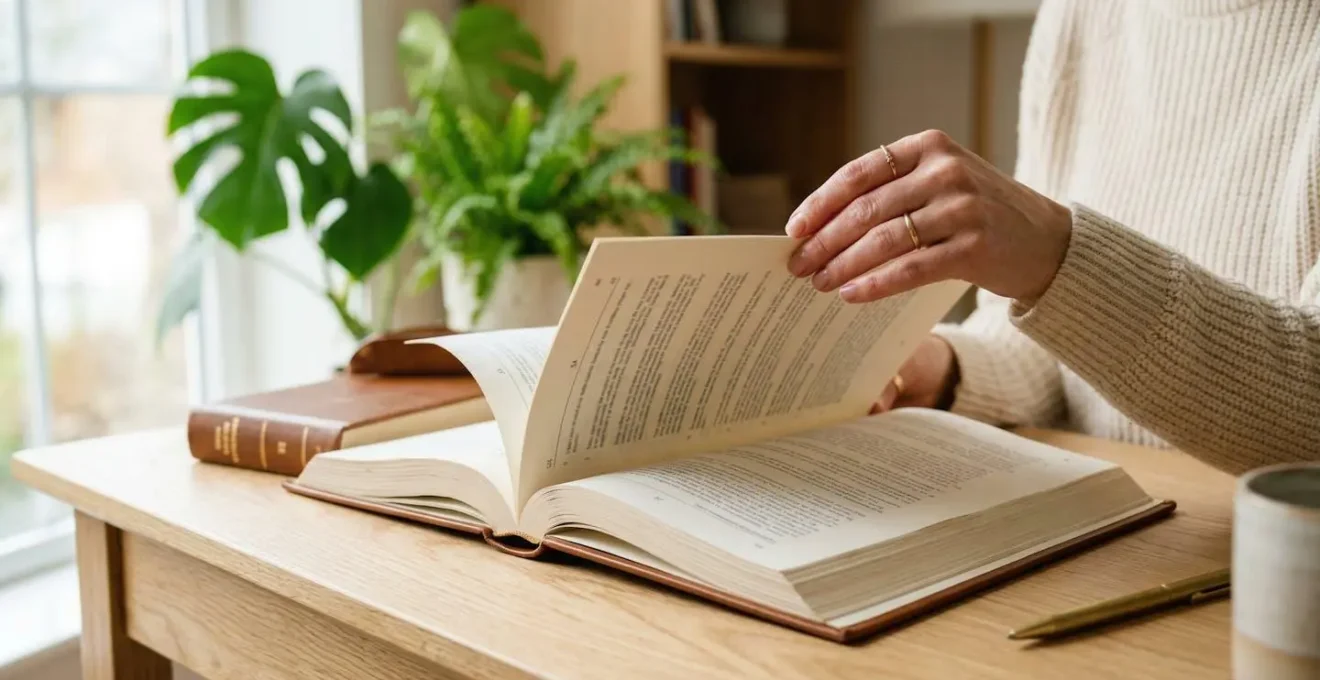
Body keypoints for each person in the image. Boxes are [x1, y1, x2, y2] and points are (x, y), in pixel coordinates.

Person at [785, 0, 1320, 475]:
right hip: (1114, 520)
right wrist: (936, 369)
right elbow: (1048, 350)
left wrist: (1060, 257)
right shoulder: (1079, 13)